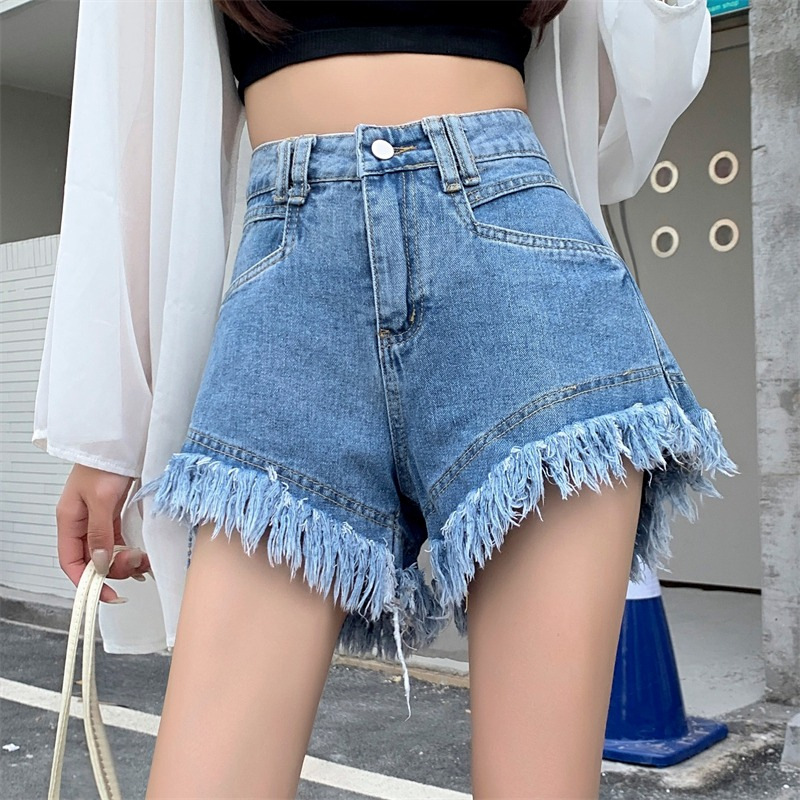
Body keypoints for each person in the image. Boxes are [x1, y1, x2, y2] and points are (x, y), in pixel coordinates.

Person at [33, 1, 738, 797]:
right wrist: (106, 432)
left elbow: (635, 95)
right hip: (293, 281)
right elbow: (126, 105)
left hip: (516, 269)